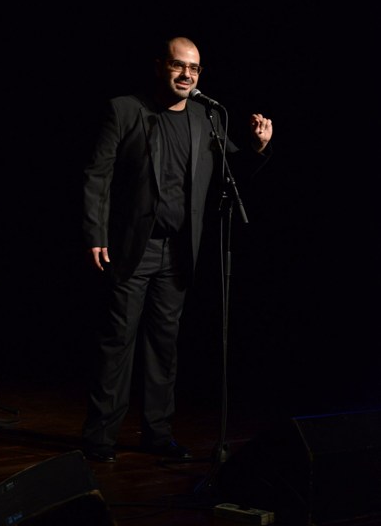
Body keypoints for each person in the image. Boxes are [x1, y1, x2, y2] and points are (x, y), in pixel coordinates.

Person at [81, 36, 273, 462]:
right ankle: (99, 438)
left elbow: (231, 171)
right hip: (131, 248)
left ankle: (157, 434)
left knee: (164, 347)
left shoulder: (207, 117)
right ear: (160, 66)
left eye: (194, 68)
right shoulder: (126, 110)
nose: (187, 74)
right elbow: (98, 175)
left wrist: (258, 147)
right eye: (178, 65)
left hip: (179, 251)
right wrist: (95, 233)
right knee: (117, 343)